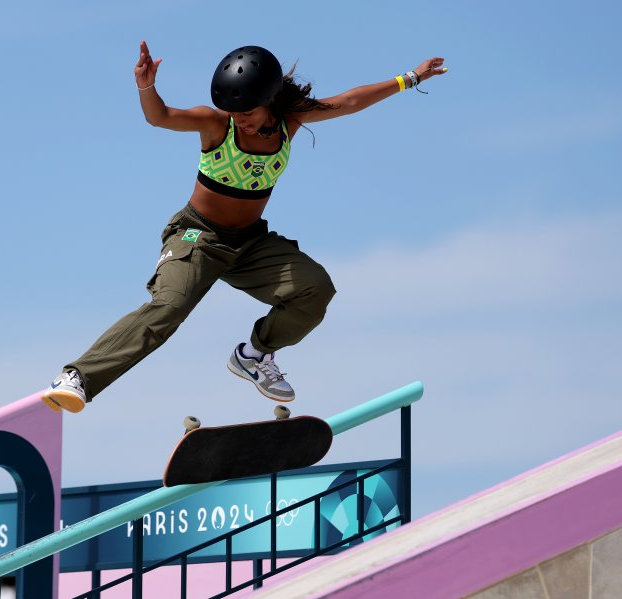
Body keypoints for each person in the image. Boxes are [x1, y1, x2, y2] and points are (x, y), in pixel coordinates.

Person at [42, 42, 447, 413]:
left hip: (250, 243)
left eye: (249, 114)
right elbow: (160, 118)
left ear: (269, 101)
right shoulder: (216, 125)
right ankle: (79, 376)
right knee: (170, 307)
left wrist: (410, 78)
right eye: (237, 115)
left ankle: (253, 356)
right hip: (198, 237)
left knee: (316, 286)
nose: (243, 122)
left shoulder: (289, 121)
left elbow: (349, 101)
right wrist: (146, 87)